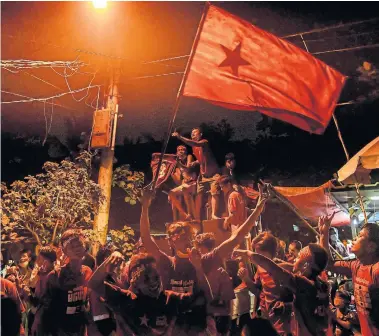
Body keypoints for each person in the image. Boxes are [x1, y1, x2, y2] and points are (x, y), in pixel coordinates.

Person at [140, 185, 268, 334]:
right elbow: (146, 239)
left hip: (198, 326)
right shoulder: (167, 262)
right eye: (180, 236)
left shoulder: (205, 260)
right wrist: (144, 206)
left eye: (189, 236)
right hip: (174, 327)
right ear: (171, 242)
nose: (186, 240)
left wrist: (258, 208)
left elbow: (235, 238)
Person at [88, 250, 212, 336]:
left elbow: (205, 296)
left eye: (156, 277)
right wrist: (109, 261)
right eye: (146, 279)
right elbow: (94, 284)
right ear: (134, 280)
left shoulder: (171, 298)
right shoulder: (127, 299)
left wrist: (198, 267)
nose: (153, 283)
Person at [234, 241, 330, 336]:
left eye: (298, 257)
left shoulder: (304, 284)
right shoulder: (321, 284)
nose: (294, 260)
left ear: (305, 265)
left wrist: (247, 253)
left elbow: (274, 269)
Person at [319, 214, 379, 336]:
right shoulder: (356, 266)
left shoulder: (376, 270)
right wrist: (324, 234)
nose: (355, 238)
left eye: (361, 236)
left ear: (371, 247)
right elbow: (328, 264)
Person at [237, 232, 293, 336]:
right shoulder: (260, 269)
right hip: (265, 317)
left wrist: (286, 305)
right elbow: (257, 291)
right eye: (255, 253)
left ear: (272, 253)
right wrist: (246, 279)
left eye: (260, 255)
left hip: (282, 321)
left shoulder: (285, 269)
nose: (257, 258)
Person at [39, 229, 92, 336]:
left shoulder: (87, 272)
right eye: (72, 246)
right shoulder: (55, 276)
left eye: (79, 245)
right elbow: (46, 310)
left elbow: (87, 301)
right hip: (59, 330)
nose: (77, 249)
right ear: (64, 250)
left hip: (80, 329)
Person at [172, 127, 220, 220]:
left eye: (195, 133)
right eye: (192, 133)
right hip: (203, 176)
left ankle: (214, 215)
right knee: (199, 195)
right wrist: (196, 162)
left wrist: (180, 137)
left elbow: (195, 143)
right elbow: (200, 157)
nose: (193, 134)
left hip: (214, 174)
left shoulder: (204, 142)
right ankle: (196, 218)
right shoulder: (194, 148)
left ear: (200, 134)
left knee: (214, 193)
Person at [193, 232, 235, 335]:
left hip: (215, 324)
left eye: (200, 250)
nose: (198, 254)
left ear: (210, 251)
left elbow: (227, 309)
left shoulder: (221, 274)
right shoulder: (192, 271)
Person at [29, 246, 57, 336]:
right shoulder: (42, 274)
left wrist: (27, 295)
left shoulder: (52, 277)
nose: (37, 261)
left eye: (39, 258)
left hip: (45, 322)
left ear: (47, 261)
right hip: (40, 319)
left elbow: (42, 301)